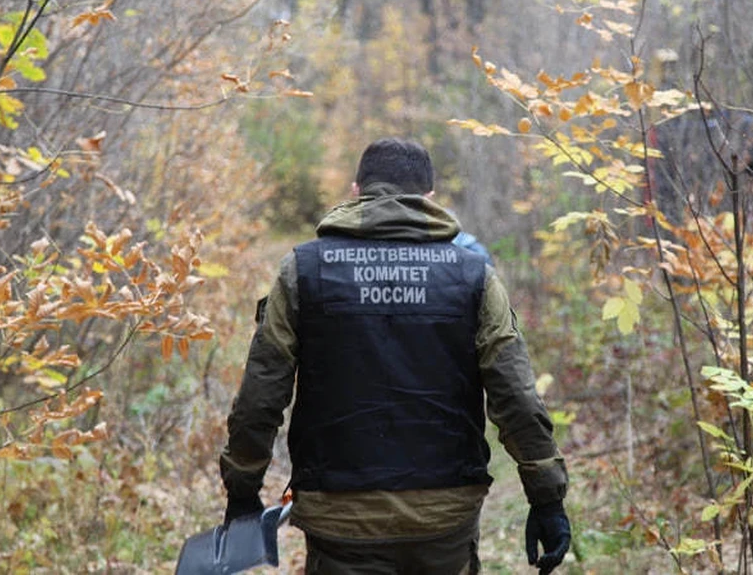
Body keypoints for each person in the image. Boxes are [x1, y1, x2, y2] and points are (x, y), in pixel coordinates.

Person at [220, 138, 571, 574]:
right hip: (444, 514)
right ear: (428, 199)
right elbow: (516, 397)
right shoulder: (473, 277)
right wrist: (546, 497)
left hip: (339, 516)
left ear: (355, 191)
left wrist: (242, 489)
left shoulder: (304, 272)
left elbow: (261, 396)